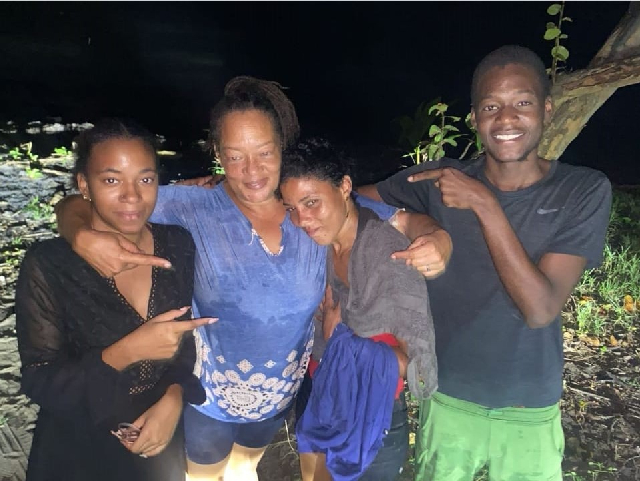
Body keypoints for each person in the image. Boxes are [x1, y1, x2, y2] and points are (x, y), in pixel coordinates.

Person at [53, 77, 452, 481]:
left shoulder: (309, 207)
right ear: (217, 153)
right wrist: (81, 234)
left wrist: (438, 236)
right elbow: (86, 202)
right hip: (209, 397)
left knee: (246, 468)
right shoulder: (192, 206)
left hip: (280, 395)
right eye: (235, 156)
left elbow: (402, 219)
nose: (252, 171)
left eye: (264, 153)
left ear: (281, 148)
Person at [359, 45, 612, 481]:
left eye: (523, 103)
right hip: (449, 394)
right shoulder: (440, 181)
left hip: (529, 404)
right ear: (475, 118)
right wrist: (420, 225)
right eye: (492, 106)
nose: (506, 119)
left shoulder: (581, 190)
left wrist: (483, 203)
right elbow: (347, 202)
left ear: (547, 110)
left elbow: (540, 309)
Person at [15, 118, 213, 481]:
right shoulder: (49, 264)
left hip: (158, 437)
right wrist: (126, 352)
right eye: (111, 180)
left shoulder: (177, 244)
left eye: (145, 179)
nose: (132, 196)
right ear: (84, 185)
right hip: (80, 447)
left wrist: (174, 396)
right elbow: (40, 381)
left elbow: (181, 347)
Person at [278, 149, 438, 481]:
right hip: (320, 396)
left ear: (344, 187)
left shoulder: (388, 257)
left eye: (311, 203)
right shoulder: (316, 246)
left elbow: (416, 366)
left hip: (369, 413)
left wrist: (342, 340)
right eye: (292, 208)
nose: (302, 220)